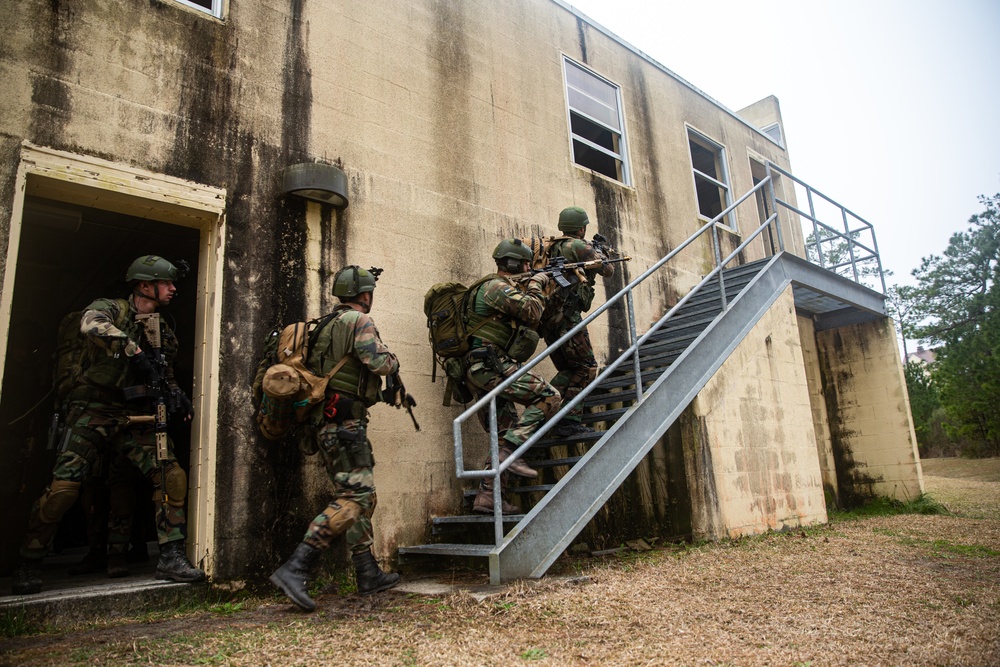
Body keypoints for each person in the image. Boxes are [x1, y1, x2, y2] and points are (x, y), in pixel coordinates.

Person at [11, 255, 204, 595]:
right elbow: (91, 324)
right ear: (145, 285)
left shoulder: (162, 329)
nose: (174, 289)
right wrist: (134, 351)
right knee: (64, 489)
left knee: (169, 475)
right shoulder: (112, 309)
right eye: (167, 283)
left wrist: (178, 396)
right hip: (94, 407)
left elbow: (164, 372)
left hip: (137, 412)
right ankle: (30, 560)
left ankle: (171, 555)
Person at [269, 265, 402, 612]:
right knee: (355, 495)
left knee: (360, 495)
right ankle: (297, 566)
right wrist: (394, 360)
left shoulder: (322, 326)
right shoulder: (358, 322)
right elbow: (379, 363)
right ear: (364, 294)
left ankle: (366, 571)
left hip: (325, 424)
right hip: (344, 423)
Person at [465, 239, 561, 514]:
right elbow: (531, 310)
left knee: (505, 431)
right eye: (526, 264)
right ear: (514, 264)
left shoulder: (492, 288)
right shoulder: (495, 287)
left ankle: (487, 496)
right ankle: (512, 454)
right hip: (490, 366)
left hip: (481, 368)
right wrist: (537, 283)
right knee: (549, 397)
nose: (530, 267)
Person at [539, 206, 615, 438]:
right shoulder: (580, 246)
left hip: (548, 317)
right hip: (567, 315)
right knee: (586, 366)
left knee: (570, 368)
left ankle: (549, 412)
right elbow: (608, 270)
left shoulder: (552, 247)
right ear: (581, 228)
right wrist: (601, 253)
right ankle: (563, 419)